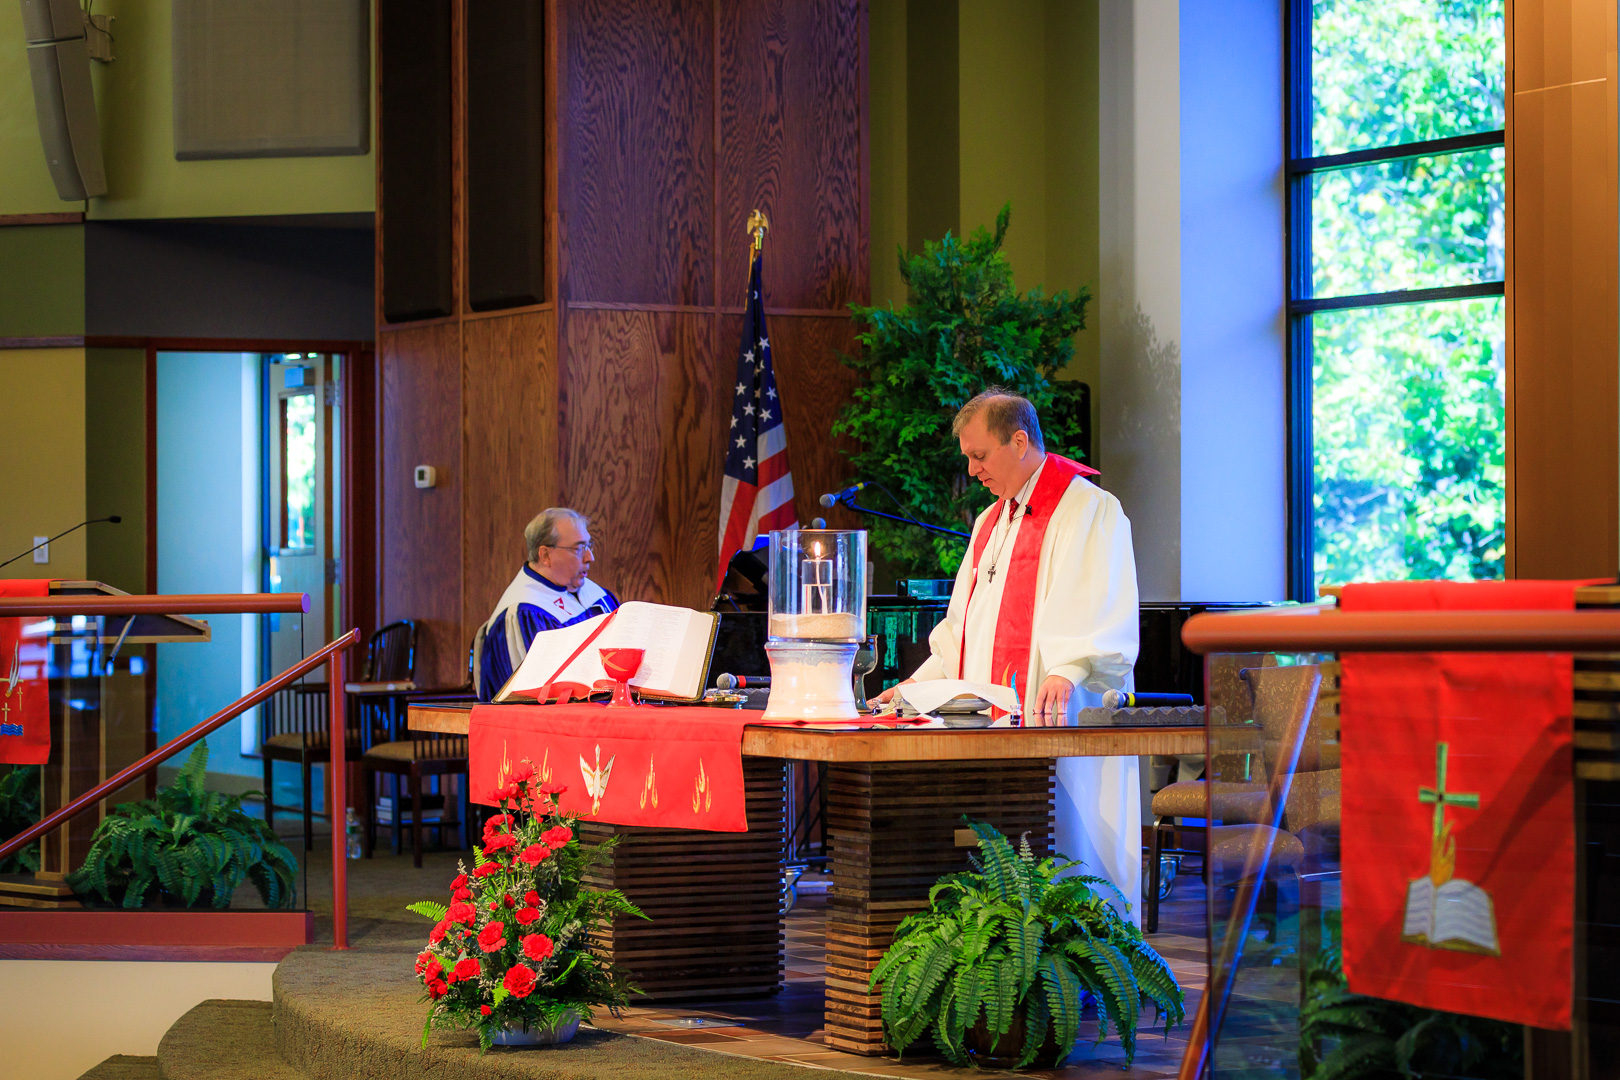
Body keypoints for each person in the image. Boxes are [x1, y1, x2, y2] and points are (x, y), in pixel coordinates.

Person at [873, 389, 1143, 919]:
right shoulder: (990, 524)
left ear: (1019, 441)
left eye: (980, 456)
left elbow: (1099, 598)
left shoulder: (1088, 508)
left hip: (1061, 708)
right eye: (968, 458)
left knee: (1070, 841)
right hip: (993, 722)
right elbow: (961, 632)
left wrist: (1068, 667)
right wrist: (912, 688)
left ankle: (1080, 961)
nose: (972, 470)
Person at [472, 508, 619, 701]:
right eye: (579, 548)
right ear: (545, 556)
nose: (589, 557)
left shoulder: (594, 594)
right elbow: (539, 695)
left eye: (589, 545)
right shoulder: (525, 611)